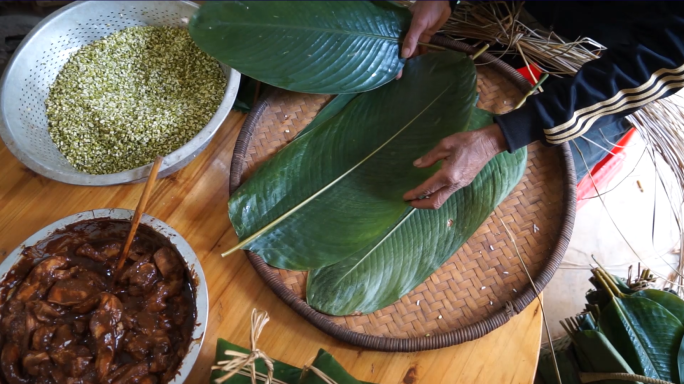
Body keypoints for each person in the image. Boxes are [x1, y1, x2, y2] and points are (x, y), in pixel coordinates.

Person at [401, 1, 684, 209]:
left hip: (602, 72)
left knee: (521, 198)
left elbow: (655, 62)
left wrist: (499, 137)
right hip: (498, 15)